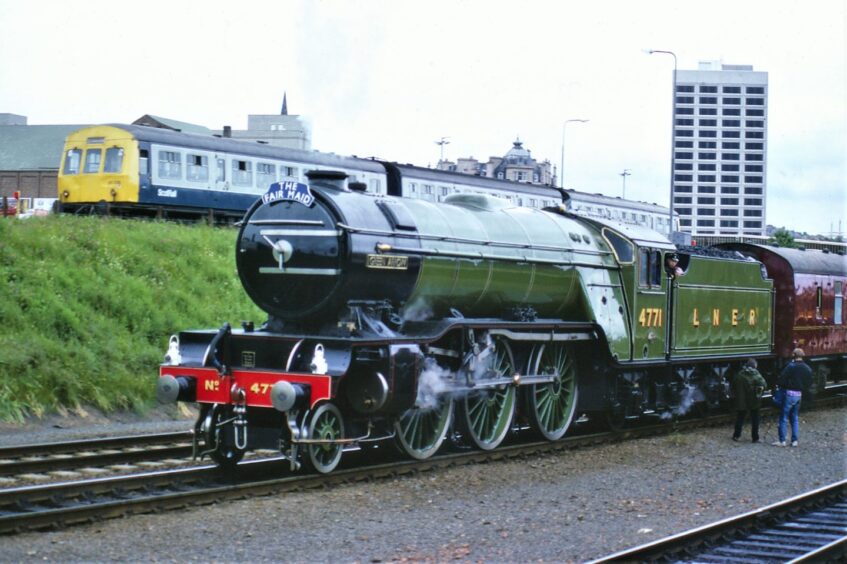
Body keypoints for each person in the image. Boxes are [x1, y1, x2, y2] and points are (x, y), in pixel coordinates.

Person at [772, 348, 813, 447]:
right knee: (794, 418)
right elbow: (809, 382)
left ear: (794, 355)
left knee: (784, 417)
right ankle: (794, 441)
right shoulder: (807, 368)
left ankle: (782, 441)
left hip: (789, 394)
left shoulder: (791, 366)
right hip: (799, 395)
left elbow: (781, 379)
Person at [732, 358, 767, 443]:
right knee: (755, 419)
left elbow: (733, 385)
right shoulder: (756, 375)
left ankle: (736, 436)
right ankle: (755, 438)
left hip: (742, 401)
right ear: (755, 366)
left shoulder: (739, 375)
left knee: (740, 418)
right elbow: (764, 385)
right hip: (754, 400)